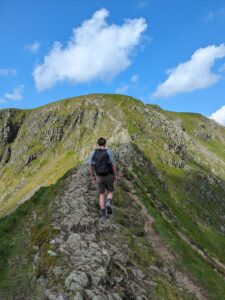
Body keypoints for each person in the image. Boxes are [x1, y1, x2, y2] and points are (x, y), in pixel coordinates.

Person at [87, 137, 117, 220]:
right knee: (110, 192)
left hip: (99, 176)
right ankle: (108, 202)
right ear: (105, 144)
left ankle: (103, 215)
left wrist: (92, 175)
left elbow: (90, 165)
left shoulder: (93, 153)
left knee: (101, 195)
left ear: (98, 144)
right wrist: (115, 175)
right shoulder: (108, 152)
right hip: (108, 175)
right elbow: (113, 164)